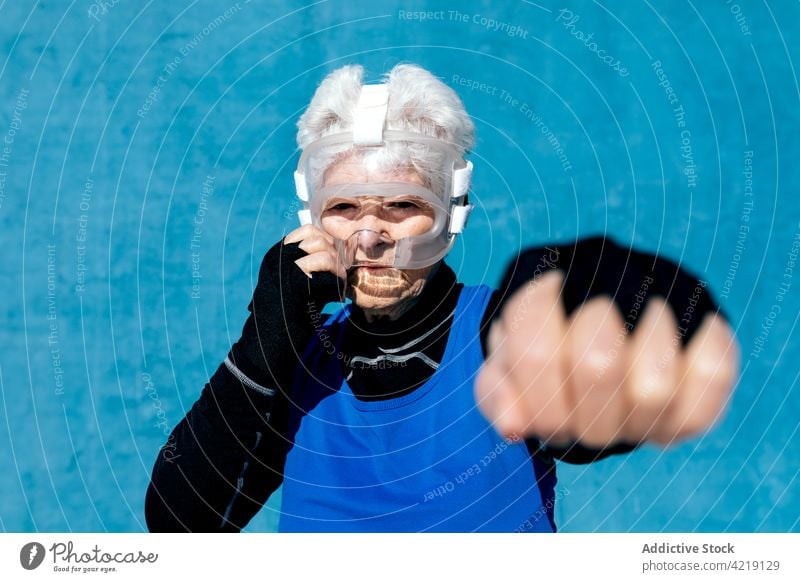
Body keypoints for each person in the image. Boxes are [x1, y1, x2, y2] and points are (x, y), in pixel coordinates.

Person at [145, 63, 739, 532]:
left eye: (402, 207)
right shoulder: (298, 357)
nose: (369, 237)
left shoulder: (496, 332)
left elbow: (574, 395)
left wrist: (618, 312)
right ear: (312, 219)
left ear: (450, 216)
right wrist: (263, 343)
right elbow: (182, 524)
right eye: (344, 208)